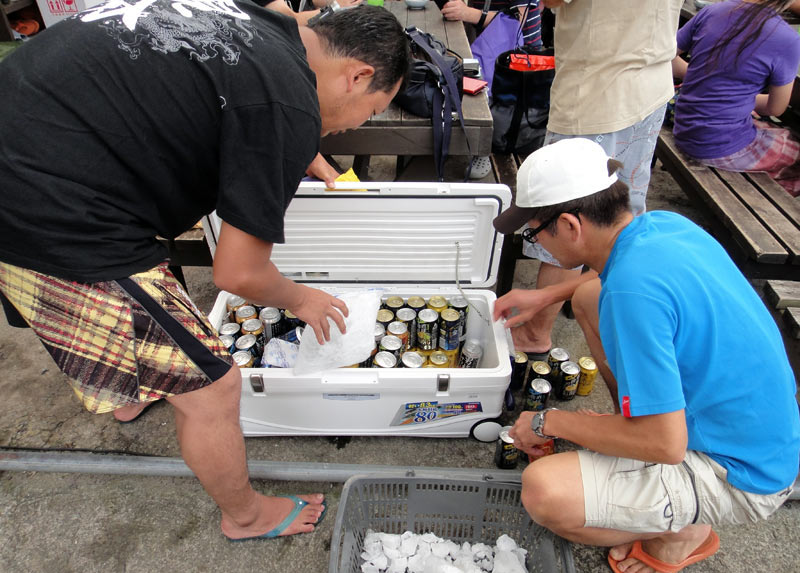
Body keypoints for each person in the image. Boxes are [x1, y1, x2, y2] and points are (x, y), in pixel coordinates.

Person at [0, 0, 409, 541]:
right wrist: (301, 299)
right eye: (373, 109)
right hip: (45, 201)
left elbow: (223, 93)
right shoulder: (285, 106)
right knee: (214, 389)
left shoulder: (265, 24)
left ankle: (139, 380)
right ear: (357, 76)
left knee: (151, 324)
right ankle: (246, 516)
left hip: (29, 119)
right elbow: (237, 274)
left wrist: (290, 142)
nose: (361, 123)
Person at [492, 138, 799, 573]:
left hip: (742, 472)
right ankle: (635, 432)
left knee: (545, 493)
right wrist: (546, 294)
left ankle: (682, 532)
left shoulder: (633, 297)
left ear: (570, 226)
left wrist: (547, 423)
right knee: (587, 295)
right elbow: (610, 277)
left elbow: (667, 445)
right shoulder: (663, 225)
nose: (535, 242)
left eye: (534, 232)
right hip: (766, 428)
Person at [507, 0, 683, 362]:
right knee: (619, 220)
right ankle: (599, 317)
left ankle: (536, 333)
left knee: (563, 214)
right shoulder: (669, 234)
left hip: (597, 87)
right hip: (651, 84)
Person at [671, 0, 800, 197]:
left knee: (769, 130)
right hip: (719, 145)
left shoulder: (712, 11)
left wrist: (707, 81)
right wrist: (737, 98)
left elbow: (667, 56)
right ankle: (758, 205)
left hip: (684, 129)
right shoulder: (787, 39)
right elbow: (776, 109)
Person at [441, 0, 543, 179]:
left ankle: (486, 148)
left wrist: (467, 13)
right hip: (487, 44)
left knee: (494, 101)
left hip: (518, 55)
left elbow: (520, 19)